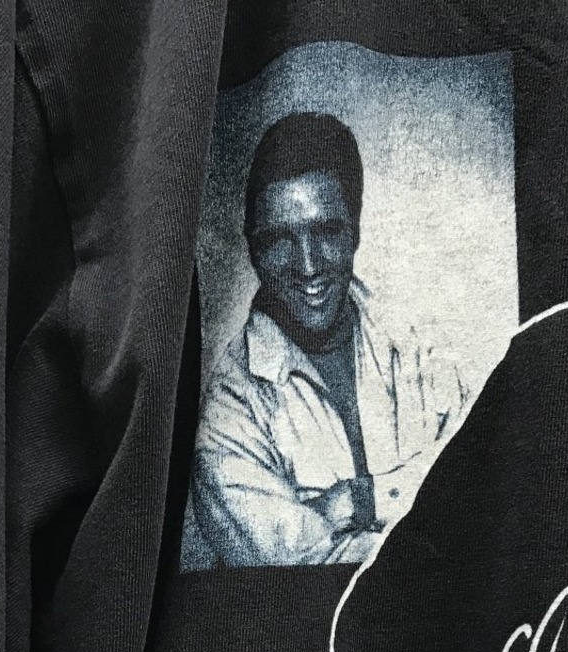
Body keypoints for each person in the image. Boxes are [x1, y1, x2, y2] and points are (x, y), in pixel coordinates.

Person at [190, 110, 470, 567]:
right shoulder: (228, 415)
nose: (307, 265)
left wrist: (358, 500)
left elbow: (486, 486)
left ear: (355, 231)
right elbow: (293, 573)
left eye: (326, 232)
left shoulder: (417, 349)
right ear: (253, 250)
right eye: (280, 240)